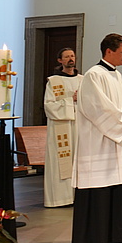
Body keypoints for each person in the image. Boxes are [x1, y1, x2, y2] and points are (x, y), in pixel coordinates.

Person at [72, 34, 122, 243]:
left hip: (114, 140)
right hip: (97, 141)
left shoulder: (116, 76)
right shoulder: (93, 75)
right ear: (109, 51)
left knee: (116, 187)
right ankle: (98, 240)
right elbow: (96, 108)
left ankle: (117, 235)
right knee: (100, 190)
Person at [43, 47, 81, 207]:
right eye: (66, 57)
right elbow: (49, 106)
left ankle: (78, 196)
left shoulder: (83, 79)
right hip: (61, 126)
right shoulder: (53, 81)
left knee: (79, 160)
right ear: (60, 60)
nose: (70, 59)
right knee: (61, 162)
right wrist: (70, 100)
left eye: (72, 56)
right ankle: (60, 199)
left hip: (79, 126)